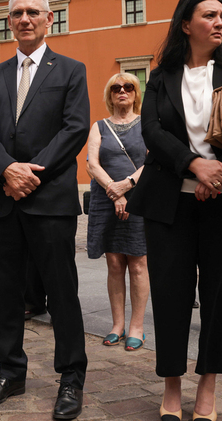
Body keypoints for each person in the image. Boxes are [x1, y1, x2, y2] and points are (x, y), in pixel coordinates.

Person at [127, 0, 222, 420]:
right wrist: (193, 166)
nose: (220, 22)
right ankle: (171, 389)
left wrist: (218, 172)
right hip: (170, 203)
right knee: (170, 296)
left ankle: (207, 389)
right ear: (186, 25)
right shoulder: (161, 74)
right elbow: (151, 130)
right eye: (210, 15)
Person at [0, 0, 89, 420]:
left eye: (32, 12)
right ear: (9, 21)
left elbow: (74, 130)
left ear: (49, 19)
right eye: (17, 12)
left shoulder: (71, 71)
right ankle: (11, 371)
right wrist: (6, 170)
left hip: (50, 199)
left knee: (62, 294)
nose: (24, 18)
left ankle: (71, 376)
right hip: (1, 201)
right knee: (6, 293)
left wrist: (28, 172)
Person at [86, 73, 147, 351]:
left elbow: (153, 160)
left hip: (138, 198)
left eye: (128, 87)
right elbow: (92, 164)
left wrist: (127, 185)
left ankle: (137, 326)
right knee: (113, 264)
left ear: (136, 93)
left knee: (137, 264)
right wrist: (113, 189)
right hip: (105, 198)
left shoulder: (146, 124)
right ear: (109, 95)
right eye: (116, 88)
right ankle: (117, 325)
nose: (122, 92)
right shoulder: (99, 126)